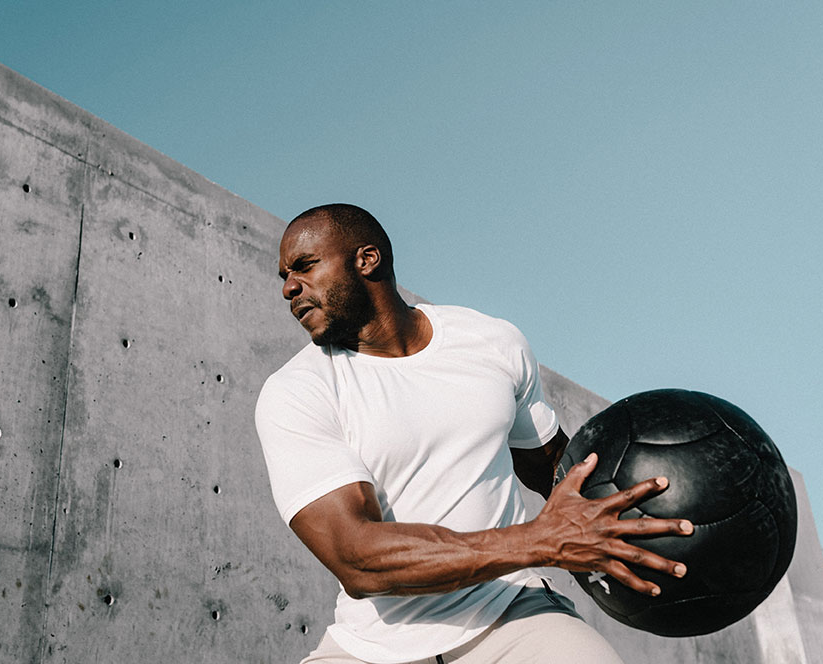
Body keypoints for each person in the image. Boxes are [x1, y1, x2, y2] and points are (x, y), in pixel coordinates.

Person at [254, 204, 693, 664]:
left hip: (511, 615)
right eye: (284, 276)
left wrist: (663, 522)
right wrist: (539, 541)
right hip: (374, 645)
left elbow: (560, 473)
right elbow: (357, 557)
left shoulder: (491, 343)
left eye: (304, 267)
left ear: (367, 259)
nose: (288, 288)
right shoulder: (296, 392)